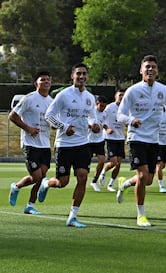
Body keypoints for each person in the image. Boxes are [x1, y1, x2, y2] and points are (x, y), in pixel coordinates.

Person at [117, 55, 166, 227]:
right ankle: (141, 215)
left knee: (148, 180)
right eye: (147, 67)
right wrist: (131, 120)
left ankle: (125, 183)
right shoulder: (133, 91)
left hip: (154, 139)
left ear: (157, 71)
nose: (150, 70)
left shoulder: (164, 90)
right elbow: (120, 115)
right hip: (136, 137)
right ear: (141, 70)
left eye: (153, 67)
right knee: (143, 176)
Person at [39, 63, 100, 228]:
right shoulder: (63, 95)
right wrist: (64, 127)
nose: (81, 77)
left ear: (87, 77)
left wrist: (95, 125)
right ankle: (46, 183)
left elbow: (92, 117)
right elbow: (48, 116)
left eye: (84, 74)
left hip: (83, 143)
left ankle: (72, 216)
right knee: (62, 182)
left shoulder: (89, 97)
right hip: (64, 144)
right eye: (78, 74)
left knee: (83, 177)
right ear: (72, 76)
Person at [8, 71, 54, 215]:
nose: (46, 82)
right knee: (37, 177)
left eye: (48, 79)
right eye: (43, 80)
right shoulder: (29, 98)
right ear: (36, 83)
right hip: (30, 144)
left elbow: (52, 121)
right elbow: (12, 116)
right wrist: (28, 128)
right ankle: (16, 186)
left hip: (45, 144)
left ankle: (30, 205)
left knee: (42, 175)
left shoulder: (51, 101)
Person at [99, 89, 127, 192]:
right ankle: (103, 172)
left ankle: (110, 184)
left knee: (119, 163)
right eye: (120, 95)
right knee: (114, 162)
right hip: (110, 138)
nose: (122, 97)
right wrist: (106, 128)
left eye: (123, 95)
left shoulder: (125, 109)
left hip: (120, 138)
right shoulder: (110, 107)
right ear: (115, 96)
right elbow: (101, 118)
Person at [88, 96, 109, 192]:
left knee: (102, 160)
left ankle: (94, 181)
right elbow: (84, 122)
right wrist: (91, 126)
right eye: (101, 105)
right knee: (85, 164)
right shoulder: (91, 112)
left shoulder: (104, 113)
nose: (103, 108)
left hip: (99, 140)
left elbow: (104, 123)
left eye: (105, 106)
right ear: (97, 104)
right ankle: (81, 180)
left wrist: (107, 128)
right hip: (88, 140)